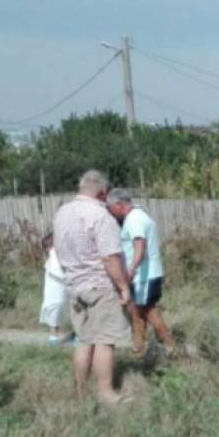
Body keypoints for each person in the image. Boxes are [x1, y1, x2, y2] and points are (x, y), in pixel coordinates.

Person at [51, 170, 132, 406]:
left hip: (74, 285)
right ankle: (105, 393)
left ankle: (80, 392)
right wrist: (123, 287)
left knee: (84, 340)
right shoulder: (101, 216)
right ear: (103, 193)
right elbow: (110, 258)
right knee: (105, 341)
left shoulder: (62, 213)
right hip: (100, 285)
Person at [107, 189, 176, 355]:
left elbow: (140, 247)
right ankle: (139, 347)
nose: (110, 212)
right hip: (148, 273)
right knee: (136, 310)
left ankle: (170, 345)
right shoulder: (140, 215)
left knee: (147, 311)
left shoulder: (134, 219)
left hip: (144, 275)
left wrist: (131, 270)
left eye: (110, 207)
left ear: (119, 204)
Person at [38, 233, 70, 344]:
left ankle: (56, 335)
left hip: (61, 289)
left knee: (62, 310)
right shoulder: (54, 255)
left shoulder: (57, 254)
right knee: (55, 310)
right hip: (56, 289)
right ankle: (53, 337)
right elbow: (57, 271)